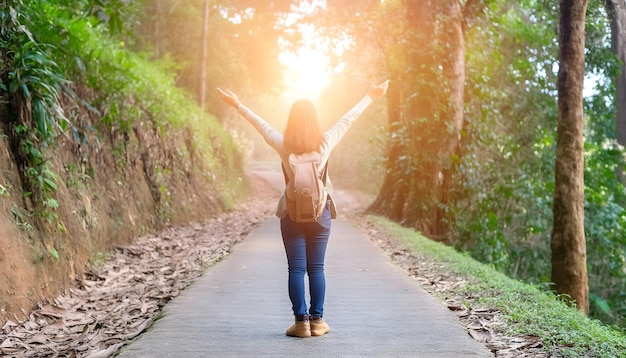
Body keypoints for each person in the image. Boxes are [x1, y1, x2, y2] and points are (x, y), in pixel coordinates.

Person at [216, 80, 390, 338]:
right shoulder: (325, 142)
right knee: (316, 268)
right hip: (321, 215)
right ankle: (318, 322)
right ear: (313, 120)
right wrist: (370, 96)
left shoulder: (283, 144)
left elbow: (261, 125)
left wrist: (238, 104)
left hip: (291, 214)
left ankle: (300, 324)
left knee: (296, 269)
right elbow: (347, 120)